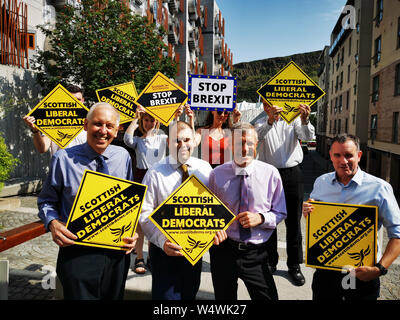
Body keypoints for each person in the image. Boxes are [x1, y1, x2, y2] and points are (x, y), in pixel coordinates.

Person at [37, 102, 137, 300]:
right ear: (85, 125)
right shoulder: (63, 159)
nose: (103, 131)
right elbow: (46, 201)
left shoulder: (123, 156)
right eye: (97, 124)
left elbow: (129, 203)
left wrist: (131, 230)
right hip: (77, 252)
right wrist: (53, 224)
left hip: (116, 253)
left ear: (117, 130)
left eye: (109, 126)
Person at [303, 134, 400, 300]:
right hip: (326, 274)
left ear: (359, 156)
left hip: (362, 276)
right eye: (337, 155)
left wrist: (379, 269)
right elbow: (317, 223)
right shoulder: (321, 183)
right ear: (331, 156)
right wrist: (309, 214)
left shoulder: (380, 188)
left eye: (349, 155)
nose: (343, 161)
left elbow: (397, 234)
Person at [139, 120, 227, 300]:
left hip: (195, 249)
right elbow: (144, 213)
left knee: (189, 294)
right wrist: (162, 241)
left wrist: (217, 228)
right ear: (168, 143)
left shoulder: (205, 169)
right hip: (164, 251)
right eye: (176, 141)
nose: (182, 145)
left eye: (186, 139)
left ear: (194, 141)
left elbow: (214, 207)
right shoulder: (154, 172)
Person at [208, 122, 287, 300]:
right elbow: (209, 212)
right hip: (223, 251)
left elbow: (280, 212)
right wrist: (212, 229)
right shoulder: (217, 174)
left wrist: (261, 218)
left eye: (249, 143)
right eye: (239, 143)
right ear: (229, 144)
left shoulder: (271, 174)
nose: (244, 148)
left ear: (256, 144)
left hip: (256, 253)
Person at [254, 101, 314, 286]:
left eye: (270, 103)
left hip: (292, 172)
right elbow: (256, 137)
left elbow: (307, 136)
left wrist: (305, 120)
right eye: (265, 104)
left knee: (294, 222)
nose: (268, 107)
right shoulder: (260, 121)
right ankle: (270, 262)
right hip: (268, 174)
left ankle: (294, 265)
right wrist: (270, 121)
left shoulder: (294, 119)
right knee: (269, 220)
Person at [123, 105, 168, 274]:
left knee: (157, 218)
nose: (149, 123)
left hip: (158, 178)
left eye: (152, 120)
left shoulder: (162, 137)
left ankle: (152, 256)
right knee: (141, 221)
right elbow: (127, 139)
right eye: (146, 120)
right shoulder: (138, 140)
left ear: (157, 122)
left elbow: (176, 134)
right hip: (141, 178)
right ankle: (139, 256)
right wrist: (136, 117)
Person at [23, 85, 87, 156]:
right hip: (60, 166)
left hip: (84, 166)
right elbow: (42, 148)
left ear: (83, 100)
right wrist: (35, 131)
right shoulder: (54, 121)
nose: (75, 103)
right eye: (71, 99)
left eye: (78, 100)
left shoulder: (91, 121)